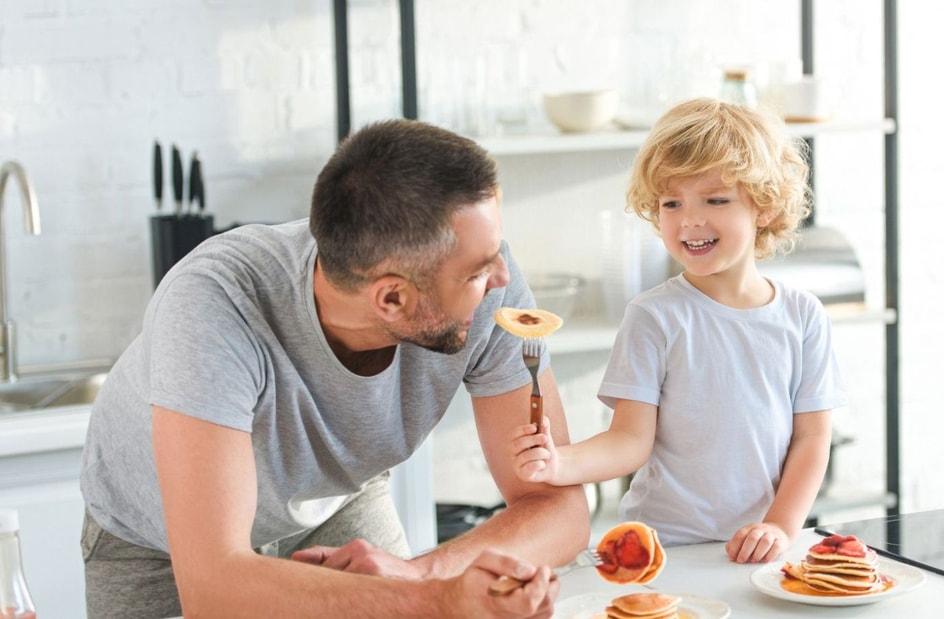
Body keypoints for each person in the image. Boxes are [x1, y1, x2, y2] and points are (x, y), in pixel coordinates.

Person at [79, 118, 591, 619]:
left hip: (335, 501)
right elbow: (214, 591)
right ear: (391, 297)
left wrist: (420, 575)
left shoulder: (484, 282)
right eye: (480, 272)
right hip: (157, 542)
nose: (502, 277)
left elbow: (558, 508)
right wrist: (437, 601)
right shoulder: (214, 303)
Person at [510, 98, 846, 564]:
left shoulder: (803, 316)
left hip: (763, 548)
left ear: (764, 206)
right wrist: (559, 463)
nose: (690, 219)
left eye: (715, 199)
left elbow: (812, 439)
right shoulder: (654, 317)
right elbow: (630, 440)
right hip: (664, 551)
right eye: (672, 202)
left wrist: (780, 527)